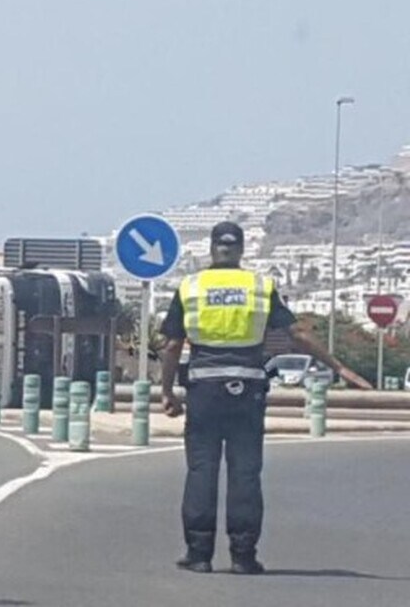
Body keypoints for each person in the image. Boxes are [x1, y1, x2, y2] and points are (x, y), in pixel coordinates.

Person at [159, 221, 371, 576]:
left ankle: (199, 554)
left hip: (204, 392)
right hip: (248, 392)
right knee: (245, 472)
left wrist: (167, 392)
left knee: (202, 470)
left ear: (212, 250)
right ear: (240, 251)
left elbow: (170, 345)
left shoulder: (191, 287)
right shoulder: (259, 287)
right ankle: (243, 556)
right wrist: (340, 367)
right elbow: (297, 334)